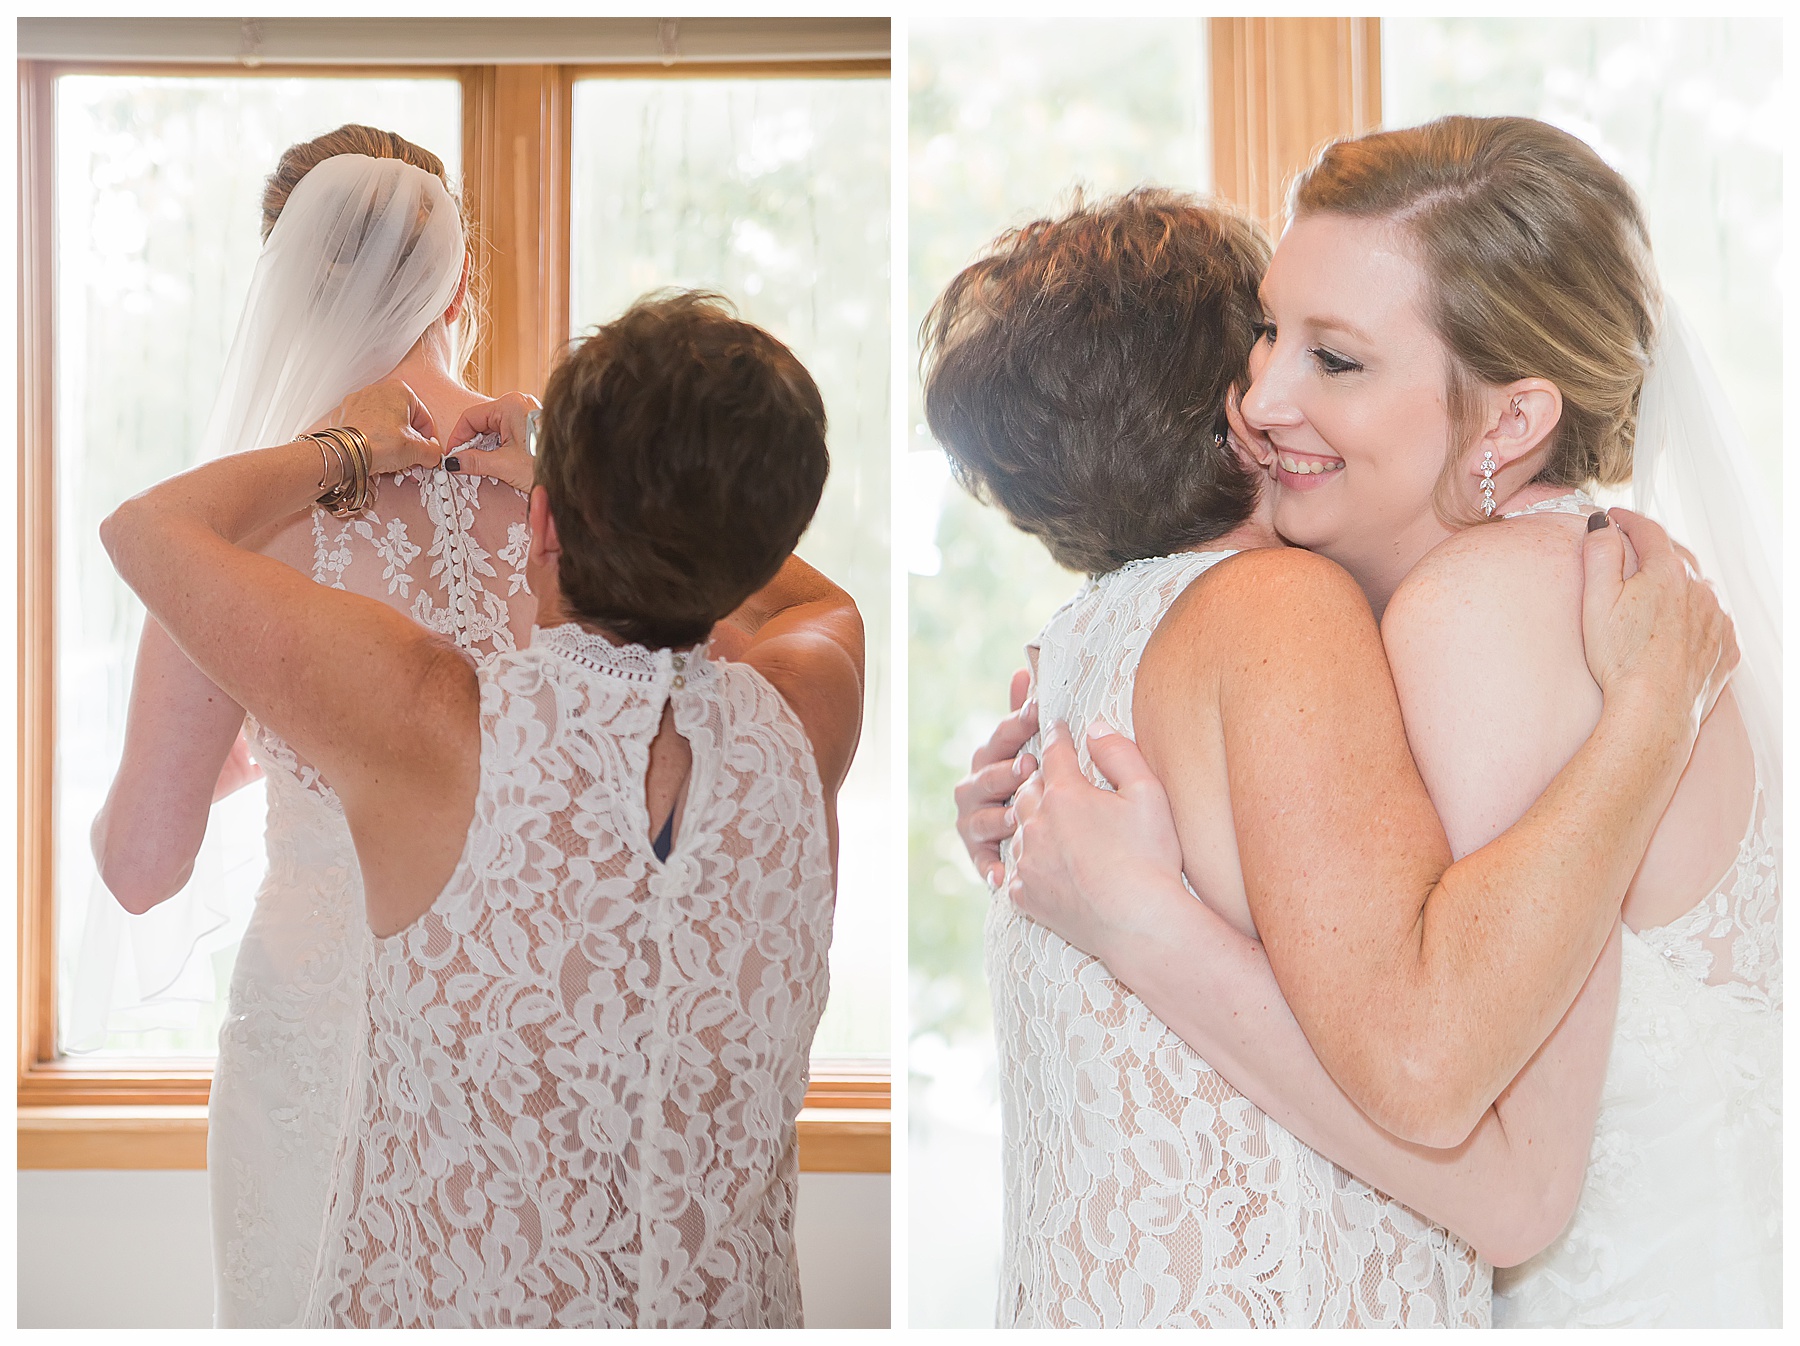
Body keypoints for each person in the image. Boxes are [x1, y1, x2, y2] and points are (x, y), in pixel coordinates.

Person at [994, 120, 1779, 1328]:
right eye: (1269, 330)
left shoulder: (1496, 608)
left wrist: (1140, 924)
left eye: (1337, 362)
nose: (1258, 397)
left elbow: (1452, 1097)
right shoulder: (1460, 589)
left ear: (1510, 423)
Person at [100, 290, 864, 1326]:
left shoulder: (432, 722)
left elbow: (149, 528)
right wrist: (589, 476)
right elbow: (819, 603)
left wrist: (342, 452)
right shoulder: (809, 711)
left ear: (542, 520)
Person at [86, 125, 547, 1327]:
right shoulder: (566, 508)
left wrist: (276, 746)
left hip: (317, 1026)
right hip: (529, 1021)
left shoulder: (229, 537)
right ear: (460, 281)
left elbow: (141, 864)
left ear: (283, 283)